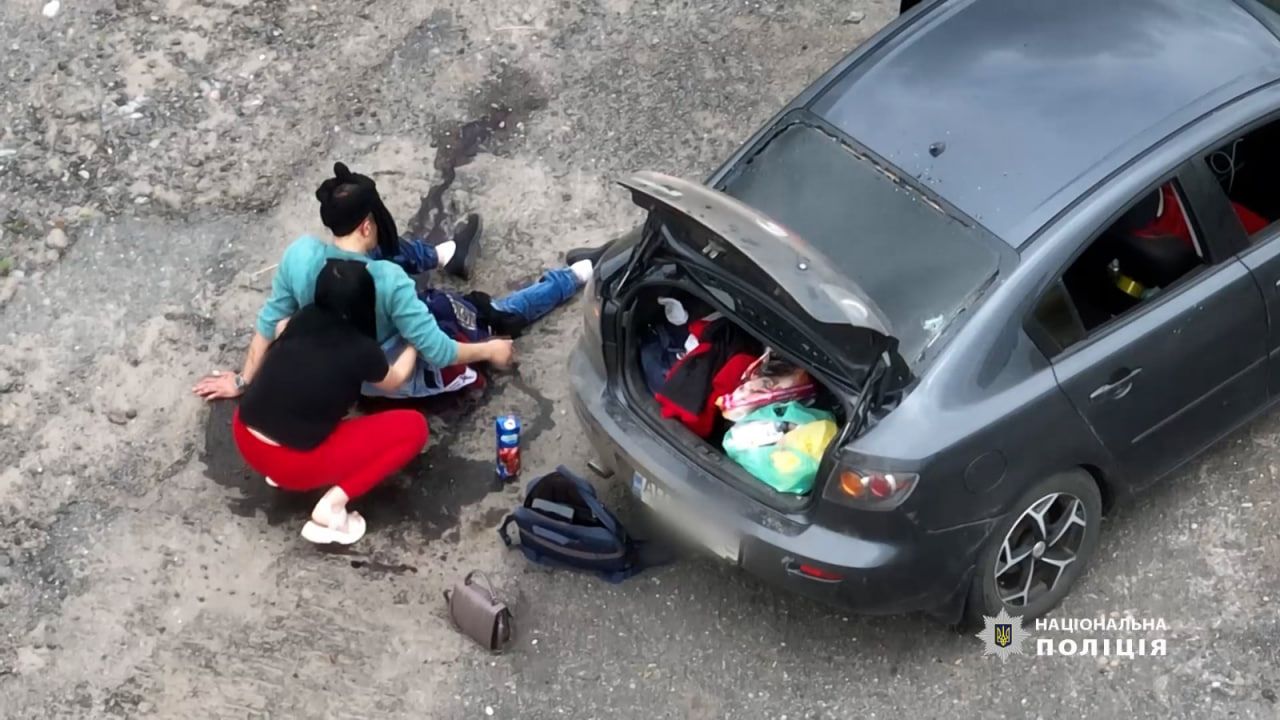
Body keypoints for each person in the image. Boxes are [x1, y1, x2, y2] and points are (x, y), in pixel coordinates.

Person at [193, 162, 594, 403]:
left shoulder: (300, 254)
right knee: (500, 313)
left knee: (390, 252)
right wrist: (490, 351)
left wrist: (242, 381)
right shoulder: (386, 279)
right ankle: (579, 275)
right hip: (387, 373)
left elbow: (268, 323)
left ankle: (444, 254)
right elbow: (437, 350)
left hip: (342, 348)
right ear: (368, 222)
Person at [231, 259, 428, 544]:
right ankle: (331, 508)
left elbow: (280, 331)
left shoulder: (303, 317)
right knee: (414, 428)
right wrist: (414, 343)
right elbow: (394, 379)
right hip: (291, 462)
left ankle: (279, 473)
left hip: (245, 434)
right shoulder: (362, 349)